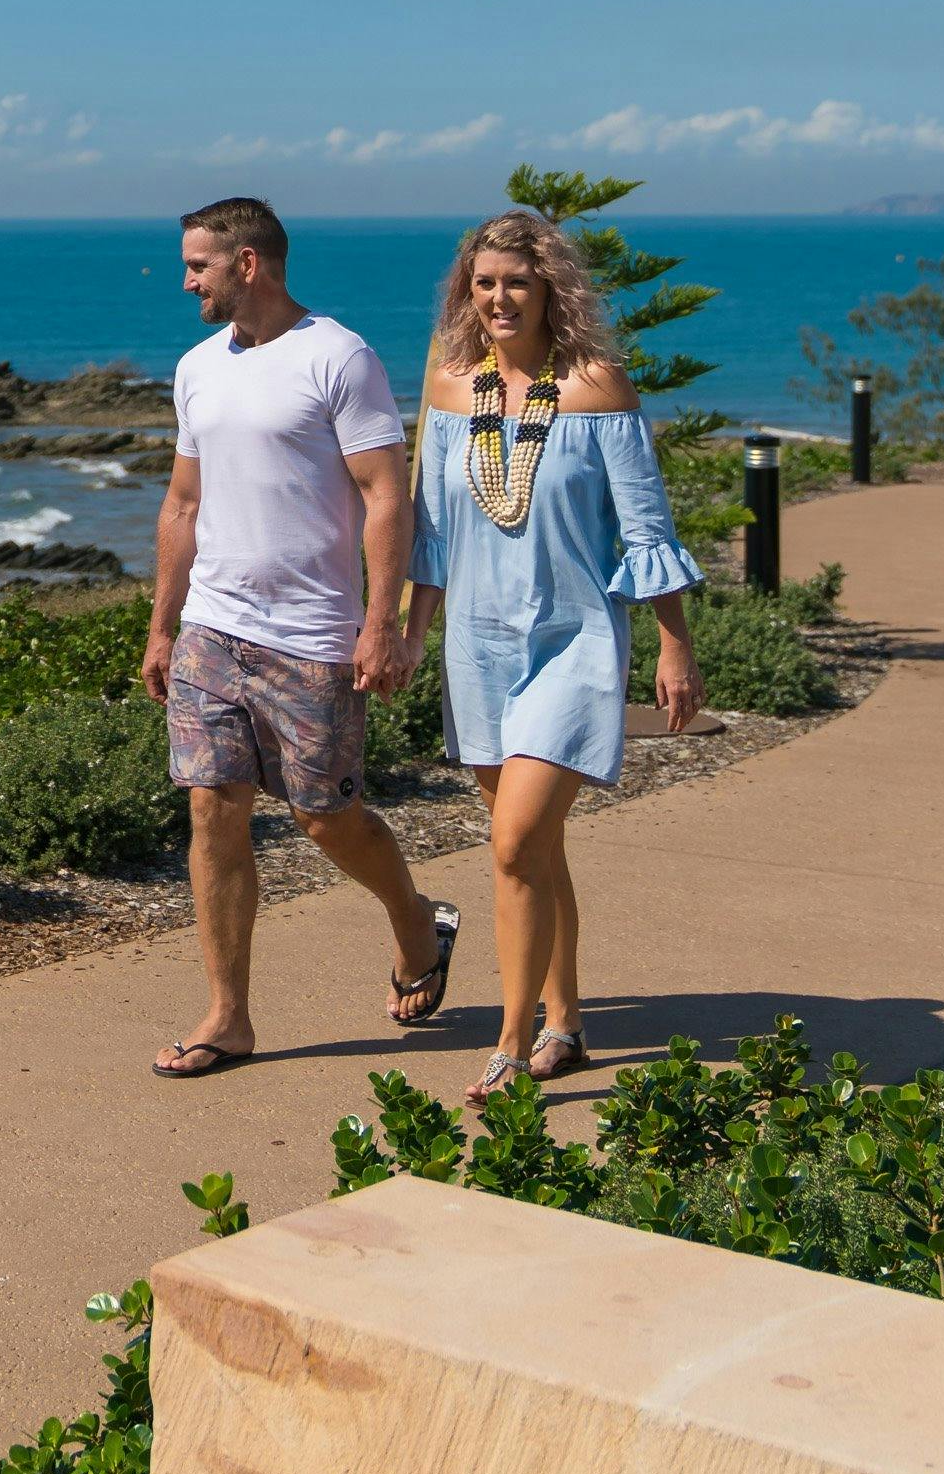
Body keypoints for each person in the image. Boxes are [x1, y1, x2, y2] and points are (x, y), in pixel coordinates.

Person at [142, 196, 458, 1080]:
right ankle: (227, 1016)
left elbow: (386, 494)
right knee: (212, 808)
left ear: (249, 263)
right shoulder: (196, 366)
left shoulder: (338, 357)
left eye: (198, 263)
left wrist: (381, 625)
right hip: (213, 626)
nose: (185, 279)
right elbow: (183, 502)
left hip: (312, 634)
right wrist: (162, 624)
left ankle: (412, 920)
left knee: (323, 819)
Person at [399, 209, 705, 1107]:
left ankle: (510, 1037)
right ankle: (565, 1018)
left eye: (516, 282)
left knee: (512, 843)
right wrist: (415, 629)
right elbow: (431, 532)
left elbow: (647, 527)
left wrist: (674, 643)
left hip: (574, 639)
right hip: (478, 644)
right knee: (532, 850)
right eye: (484, 282)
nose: (498, 297)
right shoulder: (452, 389)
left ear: (549, 291)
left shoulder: (597, 387)